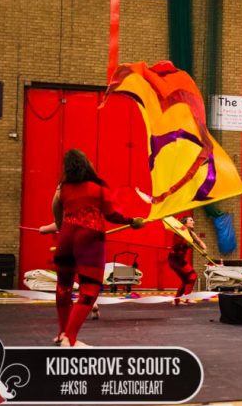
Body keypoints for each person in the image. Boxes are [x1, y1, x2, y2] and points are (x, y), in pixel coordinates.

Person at [37, 149, 144, 347]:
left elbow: (57, 212)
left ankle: (62, 334)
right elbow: (112, 214)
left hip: (65, 241)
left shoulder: (63, 187)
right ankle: (71, 339)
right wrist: (132, 221)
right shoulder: (98, 187)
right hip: (90, 242)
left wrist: (54, 227)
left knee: (63, 288)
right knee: (90, 289)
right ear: (87, 164)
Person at [168, 216, 207, 305]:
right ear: (185, 223)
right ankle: (187, 298)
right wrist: (186, 246)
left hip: (179, 259)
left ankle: (176, 300)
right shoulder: (179, 232)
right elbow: (176, 247)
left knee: (186, 280)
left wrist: (204, 250)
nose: (194, 222)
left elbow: (200, 242)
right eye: (191, 220)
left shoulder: (191, 233)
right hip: (174, 259)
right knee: (192, 275)